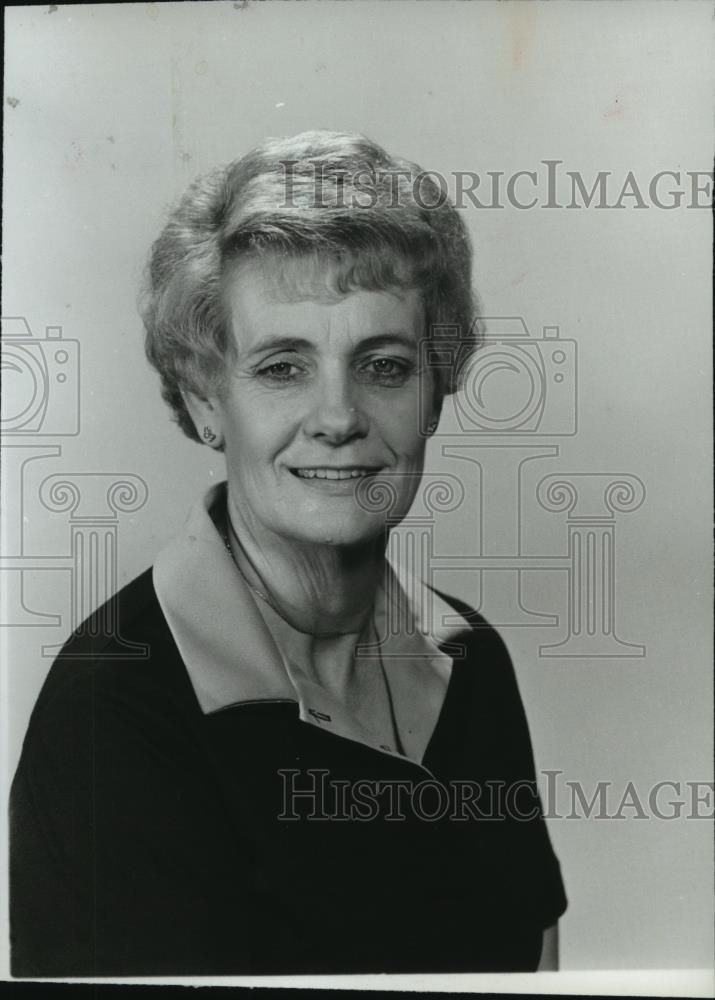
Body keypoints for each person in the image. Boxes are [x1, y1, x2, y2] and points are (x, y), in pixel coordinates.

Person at [9, 130, 566, 976]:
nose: (338, 417)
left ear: (436, 393)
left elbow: (539, 968)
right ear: (204, 400)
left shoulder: (470, 659)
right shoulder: (114, 708)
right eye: (281, 368)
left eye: (384, 365)